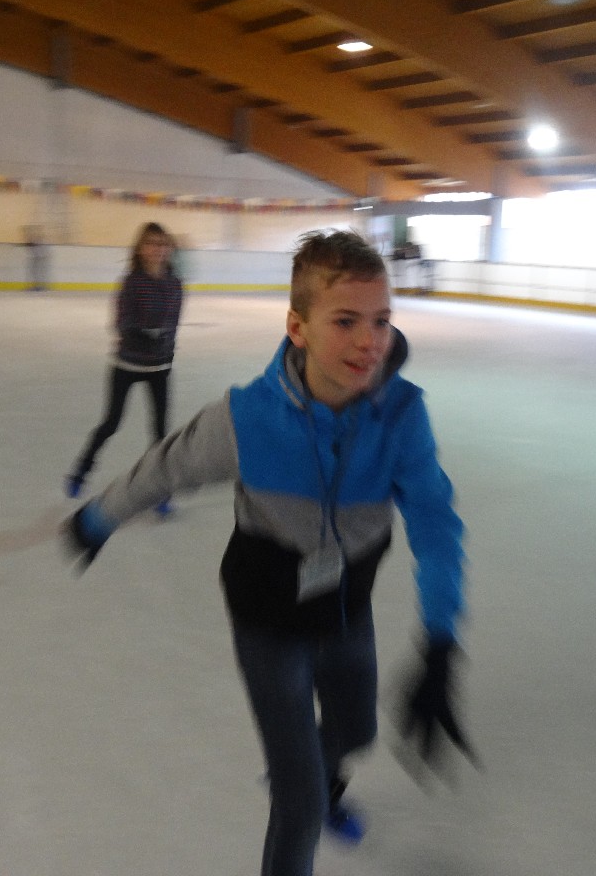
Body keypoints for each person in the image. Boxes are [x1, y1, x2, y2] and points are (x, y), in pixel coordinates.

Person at [62, 229, 476, 876]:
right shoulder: (248, 419)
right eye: (345, 321)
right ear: (297, 327)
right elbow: (166, 468)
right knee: (298, 804)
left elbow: (434, 522)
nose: (370, 342)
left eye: (381, 320)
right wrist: (97, 518)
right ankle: (303, 783)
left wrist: (441, 641)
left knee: (356, 730)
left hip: (346, 605)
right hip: (268, 620)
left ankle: (312, 776)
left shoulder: (401, 417)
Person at [65, 222, 183, 511]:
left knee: (160, 432)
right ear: (140, 249)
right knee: (111, 423)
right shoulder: (131, 282)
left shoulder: (174, 283)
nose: (158, 249)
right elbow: (121, 322)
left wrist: (164, 347)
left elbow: (173, 323)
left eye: (162, 244)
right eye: (151, 243)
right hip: (127, 364)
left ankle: (160, 491)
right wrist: (144, 334)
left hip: (159, 367)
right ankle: (81, 470)